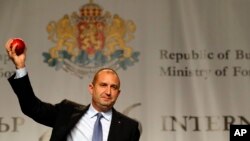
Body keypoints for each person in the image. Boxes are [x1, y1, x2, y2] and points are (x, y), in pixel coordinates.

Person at [5, 38, 141, 141]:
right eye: (103, 85)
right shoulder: (66, 112)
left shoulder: (129, 128)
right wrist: (20, 66)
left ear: (118, 93)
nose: (108, 91)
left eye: (114, 87)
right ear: (91, 88)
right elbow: (32, 107)